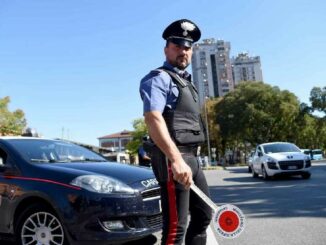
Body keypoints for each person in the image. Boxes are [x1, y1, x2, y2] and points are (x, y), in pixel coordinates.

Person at [139, 19, 212, 245]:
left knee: (203, 216)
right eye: (178, 45)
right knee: (175, 228)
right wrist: (176, 160)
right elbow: (153, 118)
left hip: (192, 157)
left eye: (188, 47)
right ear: (166, 49)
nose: (183, 51)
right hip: (174, 159)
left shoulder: (187, 83)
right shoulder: (158, 78)